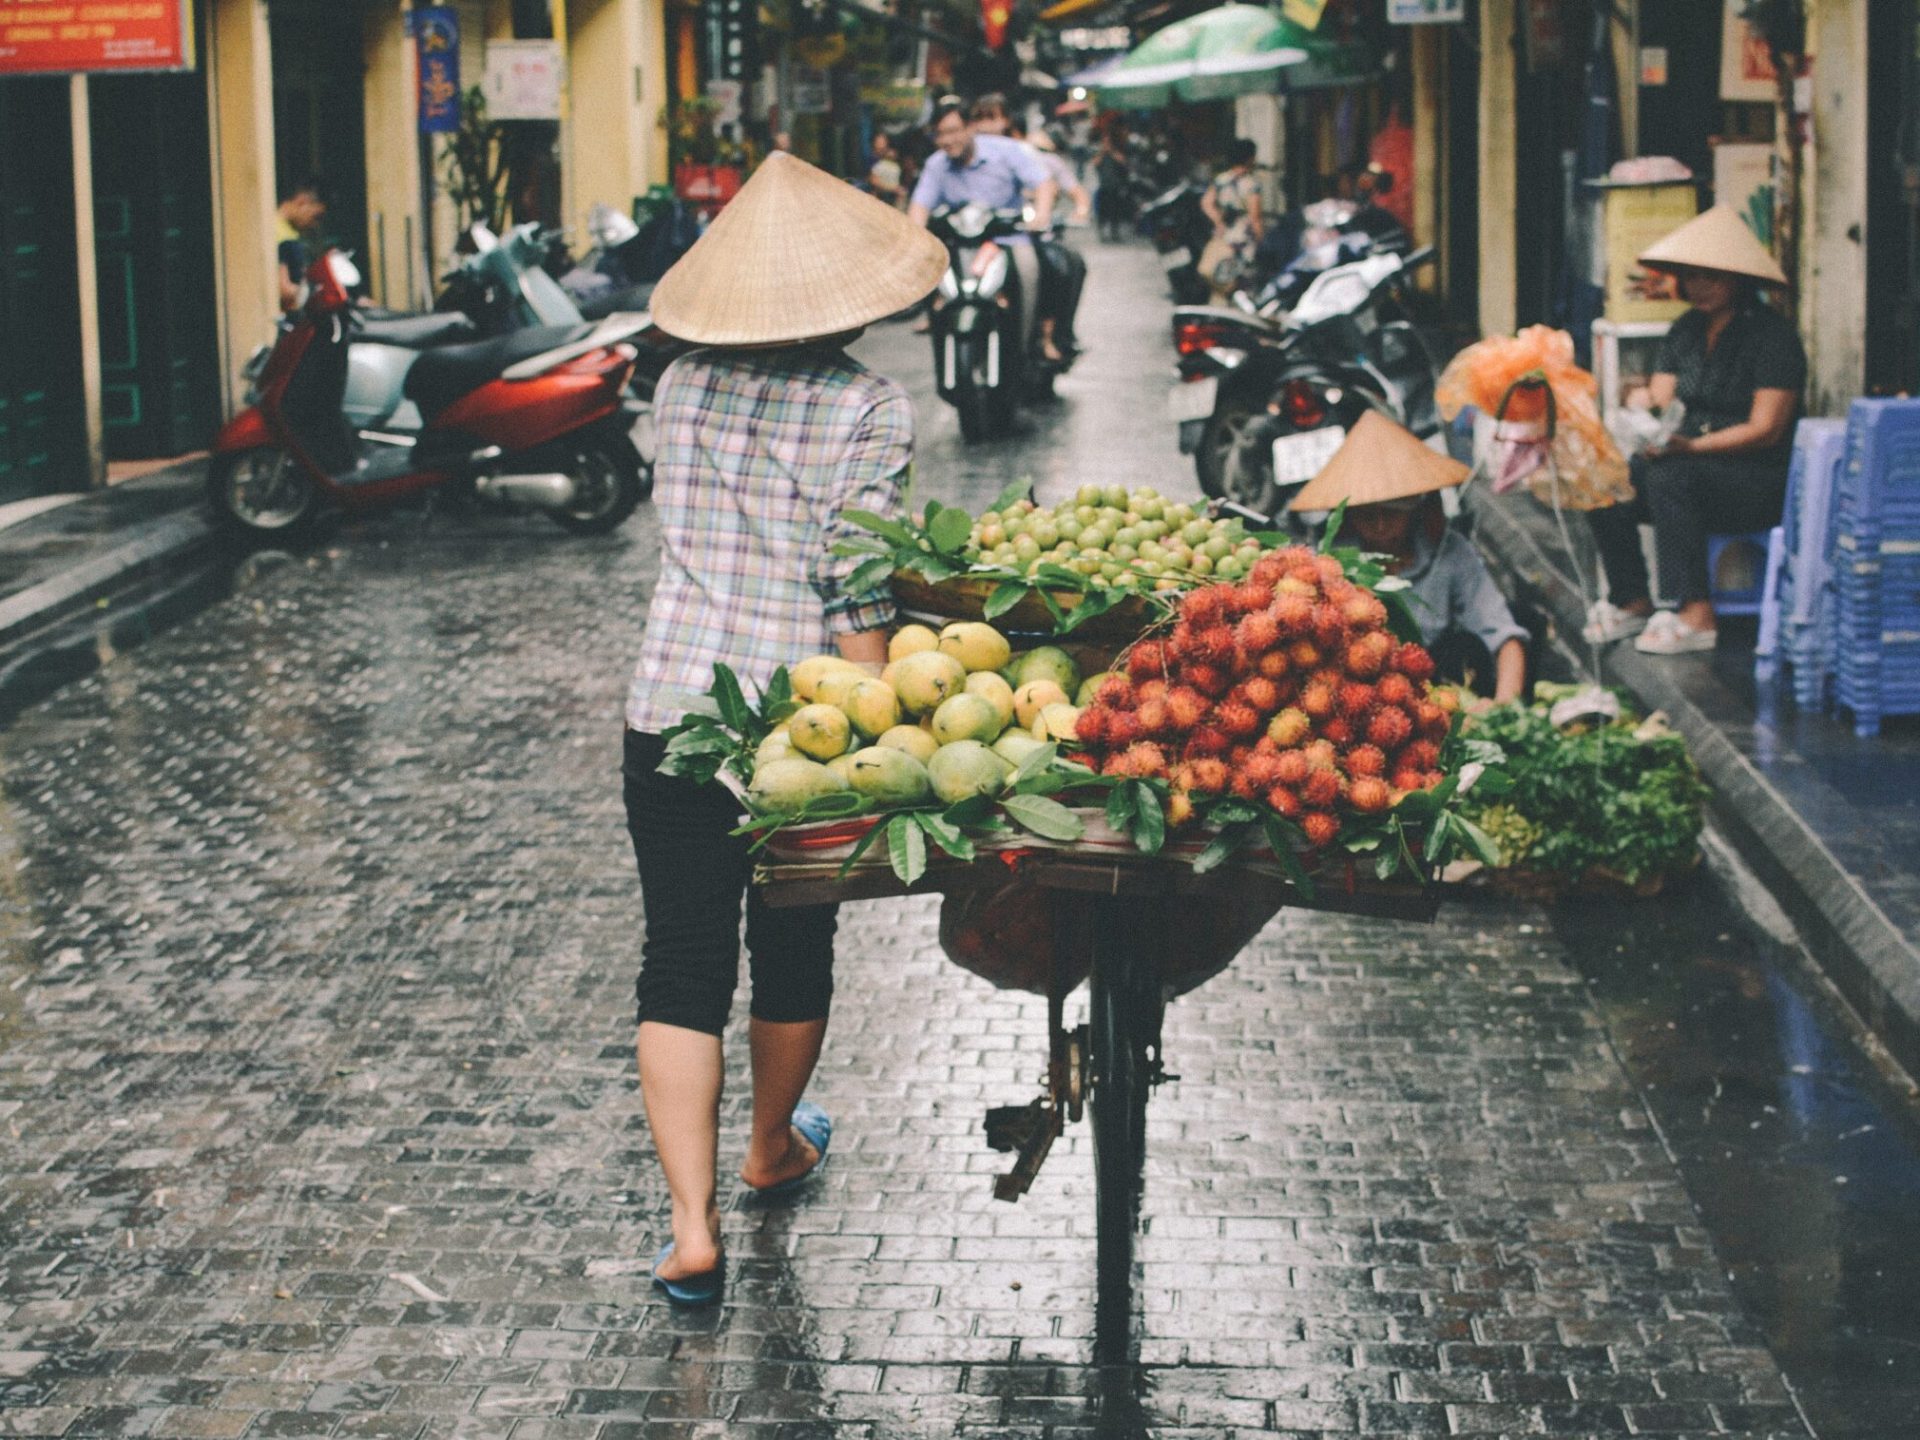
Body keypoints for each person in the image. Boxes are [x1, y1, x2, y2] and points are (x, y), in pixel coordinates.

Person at [622, 153, 947, 1307]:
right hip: (795, 728)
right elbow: (855, 586)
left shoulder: (678, 386)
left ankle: (690, 1230)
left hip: (668, 709)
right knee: (794, 944)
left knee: (682, 957)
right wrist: (887, 731)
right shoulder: (865, 405)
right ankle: (769, 1149)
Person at [1582, 206, 1806, 654]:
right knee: (1604, 481)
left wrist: (1694, 446)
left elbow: (1766, 429)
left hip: (1756, 477)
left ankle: (1696, 613)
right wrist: (1642, 407)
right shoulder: (1685, 329)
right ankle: (1631, 599)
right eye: (1693, 276)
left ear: (1737, 280)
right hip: (1688, 465)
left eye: (1712, 277)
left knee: (1672, 476)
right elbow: (1662, 397)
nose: (1700, 287)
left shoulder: (1772, 336)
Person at [1291, 412, 1529, 702]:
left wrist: (1505, 709)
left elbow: (1503, 634)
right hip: (1356, 690)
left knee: (1465, 648)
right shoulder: (1331, 561)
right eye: (1367, 516)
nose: (1379, 525)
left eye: (1392, 513)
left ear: (1415, 509)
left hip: (1433, 681)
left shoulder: (1449, 551)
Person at [909, 99, 1057, 361]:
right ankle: (938, 324)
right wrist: (914, 237)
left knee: (1030, 267)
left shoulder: (1007, 151)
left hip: (1008, 240)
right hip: (960, 244)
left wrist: (1041, 215)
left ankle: (1027, 341)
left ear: (970, 127)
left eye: (953, 130)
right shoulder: (936, 164)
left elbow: (1044, 183)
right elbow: (920, 206)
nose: (947, 140)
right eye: (940, 133)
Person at [1198, 139, 1263, 302]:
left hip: (1223, 236)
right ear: (1249, 158)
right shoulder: (1251, 184)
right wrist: (1261, 239)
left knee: (1220, 278)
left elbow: (1206, 203)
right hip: (1242, 239)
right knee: (1242, 280)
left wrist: (1218, 222)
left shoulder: (1221, 180)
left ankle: (1218, 312)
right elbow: (1255, 217)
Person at [274, 177, 328, 313]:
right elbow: (284, 289)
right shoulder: (278, 234)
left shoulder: (289, 233)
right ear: (302, 202)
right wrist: (324, 295)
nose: (315, 225)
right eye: (317, 217)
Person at [1094, 126, 1132, 242]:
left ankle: (1114, 233)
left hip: (1115, 186)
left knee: (1115, 212)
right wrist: (1102, 152)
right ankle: (1103, 233)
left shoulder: (1116, 153)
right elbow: (1095, 163)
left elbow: (1123, 162)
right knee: (1103, 212)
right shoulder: (1100, 154)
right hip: (1103, 186)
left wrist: (1112, 152)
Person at [867, 131, 905, 207]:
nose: (882, 145)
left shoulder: (889, 159)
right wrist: (894, 189)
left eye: (884, 141)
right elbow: (873, 181)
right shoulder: (872, 159)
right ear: (874, 143)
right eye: (879, 142)